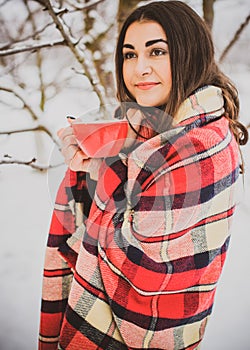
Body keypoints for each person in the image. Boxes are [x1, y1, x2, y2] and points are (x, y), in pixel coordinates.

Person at [39, 1, 248, 349]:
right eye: (130, 55)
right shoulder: (155, 131)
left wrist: (100, 169)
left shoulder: (199, 148)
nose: (140, 69)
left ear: (190, 55)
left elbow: (142, 269)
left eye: (157, 51)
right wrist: (94, 156)